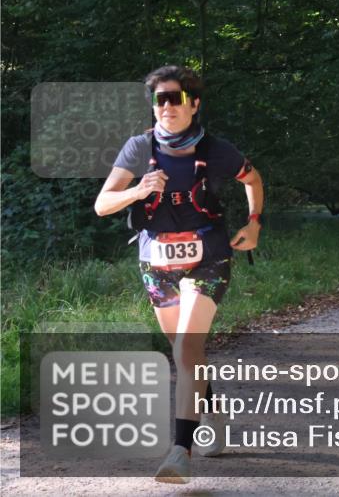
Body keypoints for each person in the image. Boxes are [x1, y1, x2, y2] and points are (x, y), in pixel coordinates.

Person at [95, 66, 264, 484]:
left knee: (188, 348)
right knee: (185, 354)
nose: (167, 106)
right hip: (156, 262)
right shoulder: (139, 148)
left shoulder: (216, 149)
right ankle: (214, 413)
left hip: (208, 258)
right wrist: (138, 190)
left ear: (194, 104)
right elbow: (102, 205)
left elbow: (253, 178)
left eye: (175, 98)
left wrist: (255, 221)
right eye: (160, 99)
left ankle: (180, 451)